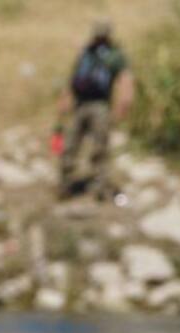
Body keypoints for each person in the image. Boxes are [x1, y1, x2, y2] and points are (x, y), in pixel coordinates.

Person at [58, 20, 134, 201]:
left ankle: (100, 188)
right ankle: (65, 185)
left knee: (100, 147)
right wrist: (65, 100)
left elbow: (125, 80)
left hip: (100, 106)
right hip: (80, 105)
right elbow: (73, 78)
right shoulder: (86, 53)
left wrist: (123, 104)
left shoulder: (115, 56)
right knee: (70, 145)